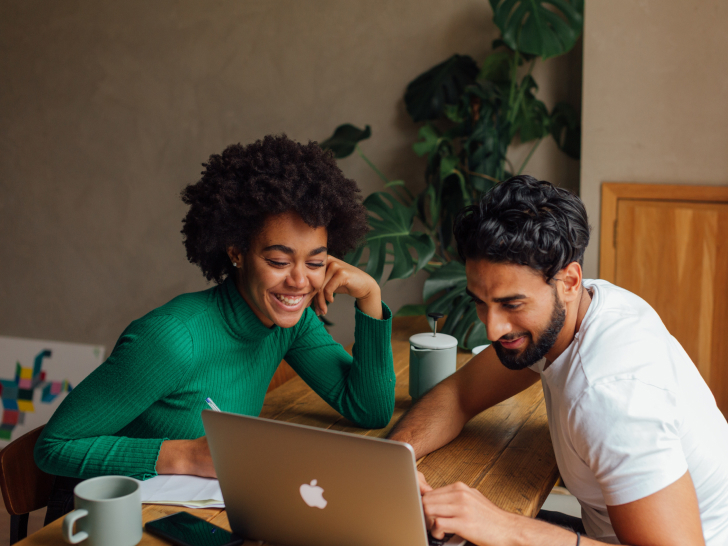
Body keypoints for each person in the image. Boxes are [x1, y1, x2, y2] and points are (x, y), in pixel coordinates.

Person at [35, 135, 395, 506]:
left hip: (189, 508)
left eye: (316, 262)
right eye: (278, 261)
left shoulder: (291, 323)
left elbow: (369, 409)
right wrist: (186, 455)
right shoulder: (172, 339)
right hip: (102, 516)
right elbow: (54, 447)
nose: (300, 282)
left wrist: (370, 297)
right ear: (237, 253)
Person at [388, 175, 728, 545]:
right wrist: (394, 460)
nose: (492, 328)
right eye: (480, 302)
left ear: (568, 281)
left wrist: (505, 529)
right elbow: (460, 394)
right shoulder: (578, 308)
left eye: (511, 304)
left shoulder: (611, 394)